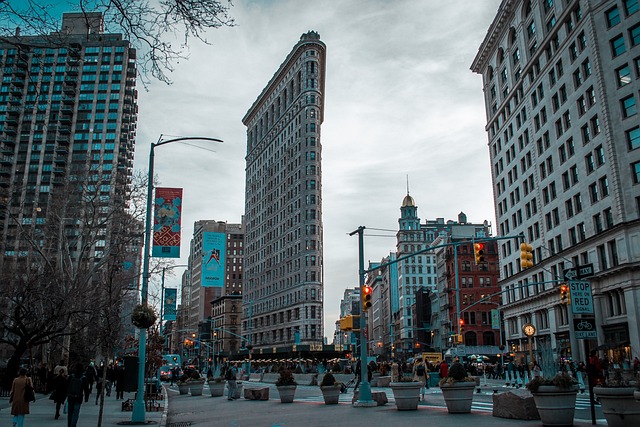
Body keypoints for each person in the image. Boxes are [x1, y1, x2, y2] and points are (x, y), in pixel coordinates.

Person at [67, 362, 90, 427]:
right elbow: (86, 389)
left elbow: (66, 386)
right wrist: (86, 397)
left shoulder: (71, 376)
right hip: (78, 397)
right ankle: (73, 425)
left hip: (70, 397)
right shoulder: (83, 378)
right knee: (75, 413)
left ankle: (69, 425)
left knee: (70, 413)